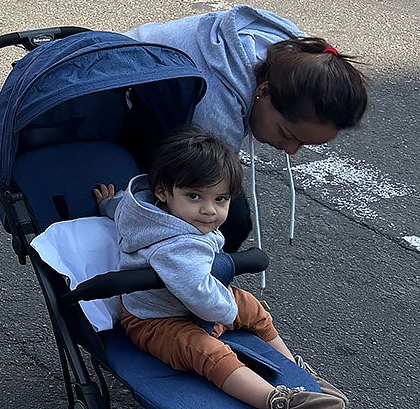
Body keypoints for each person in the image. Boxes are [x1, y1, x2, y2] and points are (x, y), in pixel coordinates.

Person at [94, 128, 346, 409]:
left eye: (220, 199)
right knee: (208, 351)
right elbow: (201, 295)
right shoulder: (176, 247)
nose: (209, 210)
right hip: (156, 320)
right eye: (194, 196)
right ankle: (275, 399)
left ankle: (297, 372)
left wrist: (108, 203)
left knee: (253, 307)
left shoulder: (143, 209)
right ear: (163, 191)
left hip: (186, 303)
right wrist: (225, 313)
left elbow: (121, 209)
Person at [127, 7, 368, 252]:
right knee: (225, 219)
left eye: (303, 144)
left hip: (151, 80)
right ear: (263, 91)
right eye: (287, 134)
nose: (291, 150)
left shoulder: (295, 58)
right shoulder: (215, 107)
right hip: (122, 98)